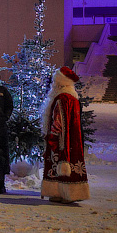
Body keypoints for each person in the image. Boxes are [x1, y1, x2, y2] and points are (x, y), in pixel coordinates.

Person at [40, 66, 90, 203]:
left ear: (60, 82)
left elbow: (58, 121)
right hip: (73, 139)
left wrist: (52, 137)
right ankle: (66, 193)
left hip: (61, 140)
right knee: (71, 163)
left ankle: (63, 193)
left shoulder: (61, 98)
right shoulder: (72, 97)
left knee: (58, 164)